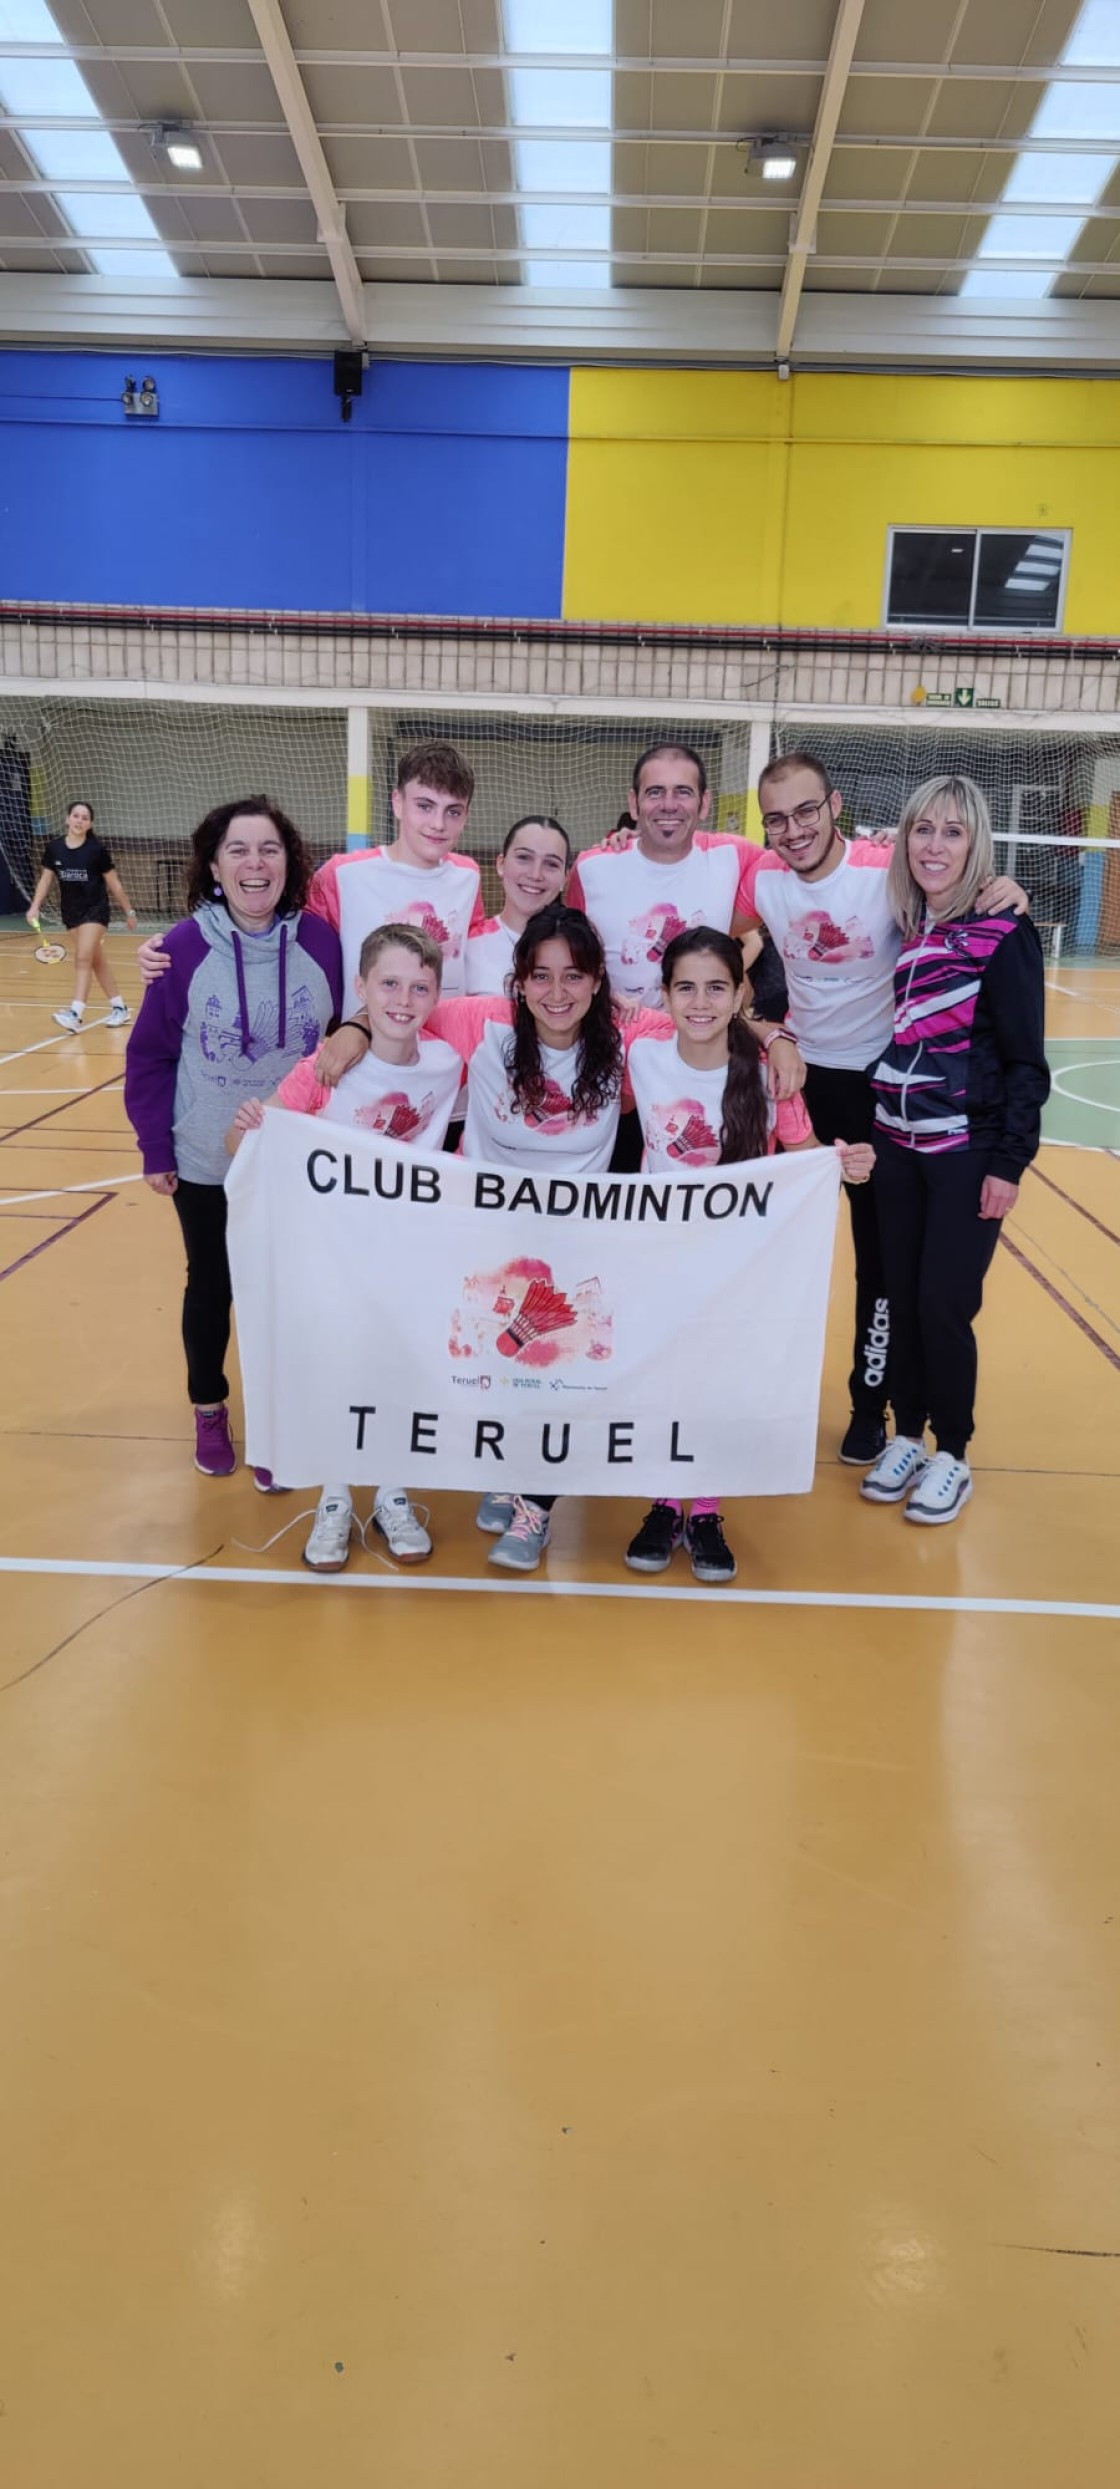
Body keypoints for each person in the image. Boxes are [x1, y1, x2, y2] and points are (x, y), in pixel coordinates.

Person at [740, 750, 1027, 1470]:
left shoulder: (887, 865)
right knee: (766, 1249)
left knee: (883, 1267)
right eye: (777, 817)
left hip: (884, 1090)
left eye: (807, 810)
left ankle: (874, 1409)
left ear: (835, 804)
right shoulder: (757, 874)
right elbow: (717, 960)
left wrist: (1004, 886)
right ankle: (750, 1397)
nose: (794, 828)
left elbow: (953, 880)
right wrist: (771, 1031)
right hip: (800, 1084)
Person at [624, 927, 874, 1584]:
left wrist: (845, 1163)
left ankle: (703, 1509)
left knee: (714, 1386)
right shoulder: (640, 1053)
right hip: (659, 1257)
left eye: (716, 987)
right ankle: (660, 1503)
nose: (700, 1002)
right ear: (666, 995)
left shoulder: (767, 1074)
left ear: (741, 993)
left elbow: (807, 1154)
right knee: (662, 1382)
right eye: (685, 987)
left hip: (738, 1266)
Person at [228, 924, 462, 1572]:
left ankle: (390, 1491)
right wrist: (251, 1129)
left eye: (420, 986)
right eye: (388, 983)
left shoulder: (446, 1066)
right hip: (331, 1256)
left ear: (437, 993)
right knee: (337, 1370)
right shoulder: (324, 1068)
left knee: (393, 1371)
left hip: (406, 1256)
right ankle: (334, 1497)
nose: (404, 998)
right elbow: (242, 1145)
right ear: (360, 989)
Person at [123, 797, 342, 1481]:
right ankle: (209, 1406)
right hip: (206, 1158)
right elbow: (151, 1055)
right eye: (239, 850)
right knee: (212, 1284)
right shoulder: (180, 950)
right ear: (215, 866)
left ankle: (277, 1424)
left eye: (270, 848)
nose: (256, 863)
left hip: (296, 1161)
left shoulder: (322, 941)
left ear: (289, 861)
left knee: (288, 1295)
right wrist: (155, 1147)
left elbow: (346, 1037)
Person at [860, 775, 1048, 1526]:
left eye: (953, 832)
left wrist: (1008, 1163)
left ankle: (953, 1452)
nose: (934, 846)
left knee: (943, 1306)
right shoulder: (913, 925)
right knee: (901, 1300)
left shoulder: (1004, 931)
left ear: (976, 846)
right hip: (895, 1147)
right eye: (923, 830)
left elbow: (1028, 1064)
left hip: (965, 1153)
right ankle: (906, 1433)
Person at [306, 740, 484, 993]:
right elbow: (302, 955)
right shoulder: (342, 874)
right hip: (365, 1032)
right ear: (398, 802)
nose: (438, 824)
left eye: (453, 812)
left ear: (466, 815)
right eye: (425, 806)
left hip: (445, 1033)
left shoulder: (469, 876)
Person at [27, 799, 137, 1032]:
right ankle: (120, 1008)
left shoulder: (96, 850)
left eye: (84, 818)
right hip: (71, 913)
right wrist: (34, 906)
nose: (79, 820)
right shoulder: (54, 848)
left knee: (83, 958)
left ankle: (75, 1013)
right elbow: (46, 880)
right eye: (76, 816)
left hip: (95, 911)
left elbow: (115, 885)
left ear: (90, 824)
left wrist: (129, 912)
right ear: (67, 819)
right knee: (96, 961)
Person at [465, 814, 571, 993]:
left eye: (551, 864)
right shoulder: (467, 946)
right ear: (501, 864)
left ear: (564, 878)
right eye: (524, 857)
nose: (535, 874)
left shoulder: (578, 948)